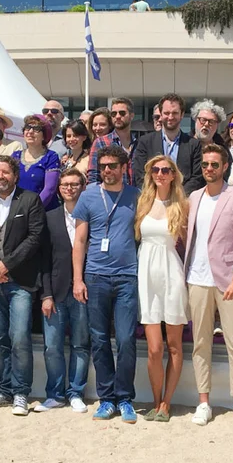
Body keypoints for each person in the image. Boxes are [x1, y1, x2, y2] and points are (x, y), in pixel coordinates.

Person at [183, 144, 233, 430]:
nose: (209, 169)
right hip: (197, 278)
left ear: (225, 166)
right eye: (205, 165)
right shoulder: (194, 197)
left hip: (228, 280)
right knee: (200, 343)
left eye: (214, 164)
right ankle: (204, 401)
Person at [73, 145, 142, 423]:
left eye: (112, 165)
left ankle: (124, 397)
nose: (107, 170)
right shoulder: (88, 195)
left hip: (127, 276)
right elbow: (79, 240)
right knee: (99, 340)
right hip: (96, 276)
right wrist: (78, 279)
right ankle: (107, 399)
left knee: (125, 340)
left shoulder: (136, 196)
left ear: (124, 167)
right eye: (102, 166)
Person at [0, 156, 46, 416]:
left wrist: (7, 265)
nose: (0, 176)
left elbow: (35, 238)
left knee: (19, 338)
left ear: (15, 175)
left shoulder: (30, 200)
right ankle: (4, 390)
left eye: (5, 172)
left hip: (21, 283)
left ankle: (21, 393)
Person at [135, 155, 189, 423]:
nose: (160, 174)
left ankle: (166, 403)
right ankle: (156, 402)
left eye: (165, 170)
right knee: (154, 348)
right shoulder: (142, 202)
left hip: (171, 274)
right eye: (155, 169)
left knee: (174, 345)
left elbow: (190, 244)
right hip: (146, 276)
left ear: (173, 174)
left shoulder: (182, 205)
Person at [38, 169, 91, 414]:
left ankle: (76, 393)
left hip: (84, 291)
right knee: (52, 347)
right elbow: (43, 260)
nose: (69, 188)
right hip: (55, 291)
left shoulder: (91, 216)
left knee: (81, 345)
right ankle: (55, 394)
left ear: (83, 186)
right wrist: (46, 294)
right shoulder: (48, 218)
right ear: (59, 189)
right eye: (64, 185)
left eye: (74, 184)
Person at [132, 93, 204, 194]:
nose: (170, 117)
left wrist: (178, 196)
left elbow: (196, 177)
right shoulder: (145, 142)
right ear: (161, 114)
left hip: (182, 199)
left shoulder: (194, 145)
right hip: (153, 198)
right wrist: (156, 196)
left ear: (182, 115)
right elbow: (140, 174)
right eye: (166, 113)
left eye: (175, 113)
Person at [12, 114, 62, 210]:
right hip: (18, 210)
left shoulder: (51, 157)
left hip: (44, 211)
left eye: (36, 129)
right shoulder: (15, 156)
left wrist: (32, 210)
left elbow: (49, 189)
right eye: (28, 128)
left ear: (44, 136)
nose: (30, 132)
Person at [87, 97, 136, 186]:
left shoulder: (139, 144)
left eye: (122, 113)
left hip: (136, 193)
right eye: (114, 114)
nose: (117, 116)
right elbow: (93, 176)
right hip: (109, 193)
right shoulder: (100, 142)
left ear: (131, 116)